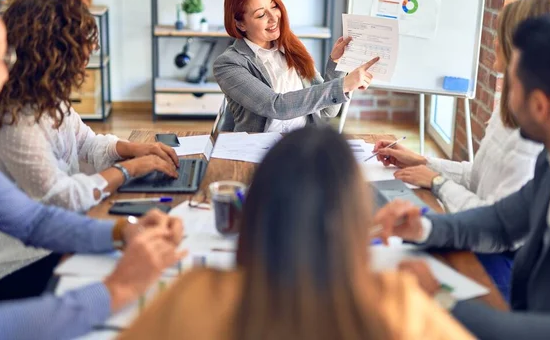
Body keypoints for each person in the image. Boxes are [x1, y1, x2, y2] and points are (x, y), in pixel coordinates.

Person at [118, 126, 473, 340]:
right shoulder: (399, 303)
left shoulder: (195, 296)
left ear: (255, 209)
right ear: (357, 220)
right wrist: (440, 299)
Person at [374, 15, 550, 339]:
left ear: (540, 106)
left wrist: (438, 298)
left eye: (511, 82)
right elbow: (502, 222)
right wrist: (423, 227)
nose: (504, 92)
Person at [0, 12, 186, 340]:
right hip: (13, 271)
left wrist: (125, 231)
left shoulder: (48, 104)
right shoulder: (15, 123)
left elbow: (33, 221)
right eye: (0, 58)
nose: (7, 70)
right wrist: (117, 289)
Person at [213, 0, 379, 133]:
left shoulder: (291, 48)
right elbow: (276, 106)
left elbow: (328, 110)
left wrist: (336, 62)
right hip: (257, 152)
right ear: (241, 24)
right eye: (261, 14)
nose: (273, 18)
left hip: (301, 144)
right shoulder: (228, 64)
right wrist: (343, 85)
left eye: (274, 7)